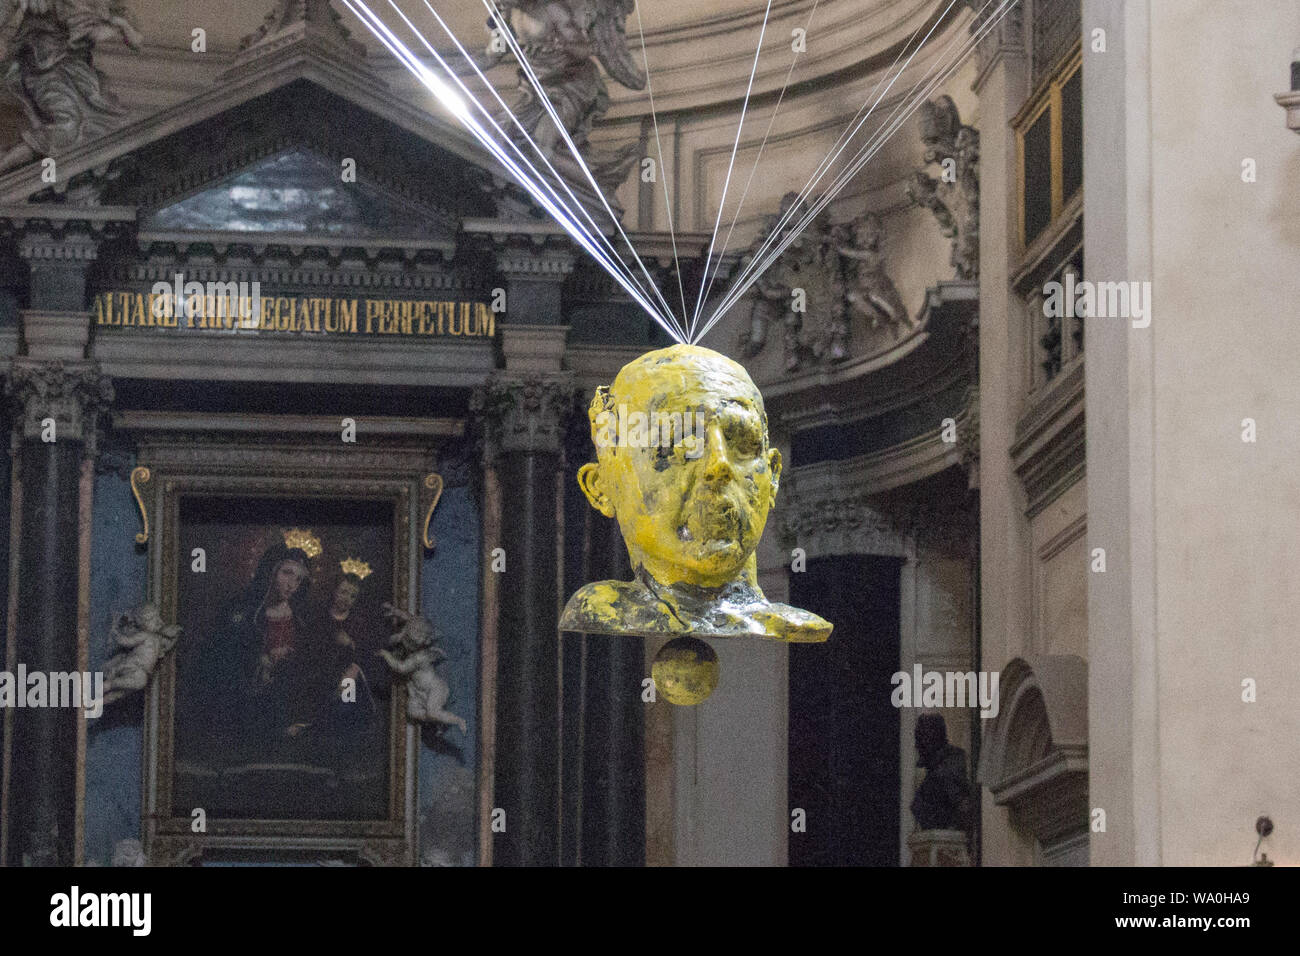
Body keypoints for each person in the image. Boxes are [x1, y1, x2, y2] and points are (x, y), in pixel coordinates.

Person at [560, 344, 831, 642]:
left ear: (774, 475)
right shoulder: (597, 608)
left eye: (742, 443)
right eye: (679, 444)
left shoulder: (790, 622)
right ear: (600, 488)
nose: (719, 465)